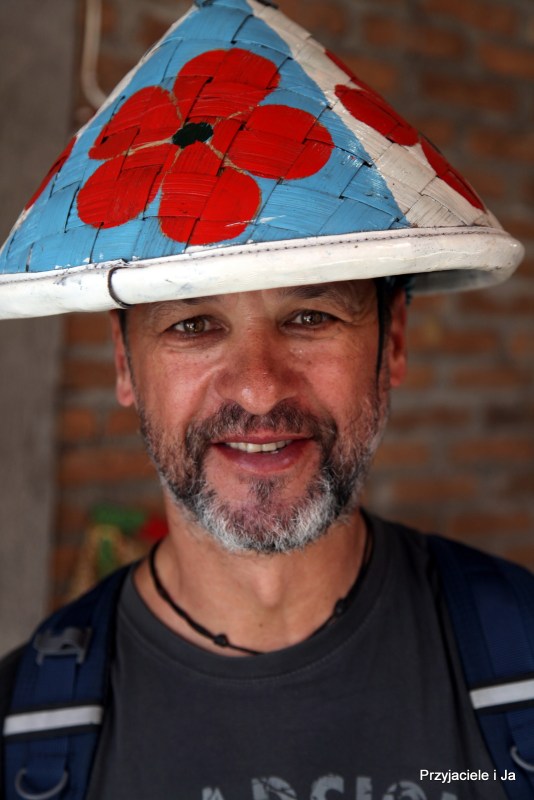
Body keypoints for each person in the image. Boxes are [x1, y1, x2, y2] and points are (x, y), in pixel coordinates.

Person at [0, 1, 531, 799]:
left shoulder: (522, 659)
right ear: (124, 363)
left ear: (391, 343)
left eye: (311, 317)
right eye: (193, 325)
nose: (257, 385)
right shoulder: (20, 729)